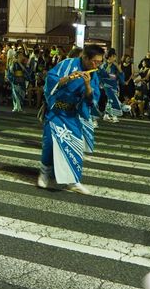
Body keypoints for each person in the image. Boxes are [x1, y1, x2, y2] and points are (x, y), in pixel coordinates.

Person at [37, 44, 103, 195]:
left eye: (99, 62)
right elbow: (51, 81)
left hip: (72, 113)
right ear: (84, 58)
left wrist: (87, 84)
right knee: (50, 142)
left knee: (76, 144)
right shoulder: (67, 64)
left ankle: (73, 181)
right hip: (56, 111)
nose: (96, 65)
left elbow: (92, 98)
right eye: (94, 61)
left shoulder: (93, 74)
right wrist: (67, 79)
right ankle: (44, 173)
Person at [101, 50, 125, 123]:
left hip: (113, 85)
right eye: (114, 56)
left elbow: (120, 74)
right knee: (113, 100)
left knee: (110, 100)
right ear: (111, 56)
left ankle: (106, 115)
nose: (115, 58)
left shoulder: (115, 65)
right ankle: (114, 116)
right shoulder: (104, 65)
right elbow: (103, 74)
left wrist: (117, 67)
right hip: (107, 85)